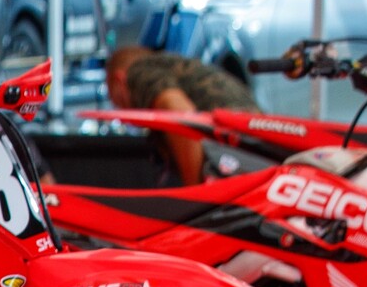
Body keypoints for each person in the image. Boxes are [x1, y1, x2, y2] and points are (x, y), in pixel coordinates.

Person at [105, 44, 257, 185]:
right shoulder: (175, 67)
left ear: (119, 80)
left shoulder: (139, 72)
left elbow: (179, 114)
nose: (118, 110)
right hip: (258, 146)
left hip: (236, 152)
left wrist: (197, 196)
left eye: (115, 99)